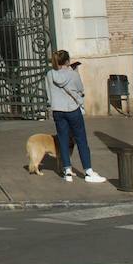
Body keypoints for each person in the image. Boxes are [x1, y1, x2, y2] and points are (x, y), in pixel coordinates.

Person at [46, 50, 105, 184]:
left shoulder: (50, 74)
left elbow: (49, 93)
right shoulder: (73, 74)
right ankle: (88, 171)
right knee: (81, 140)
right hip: (72, 110)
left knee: (63, 140)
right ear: (67, 61)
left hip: (57, 110)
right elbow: (80, 89)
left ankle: (67, 171)